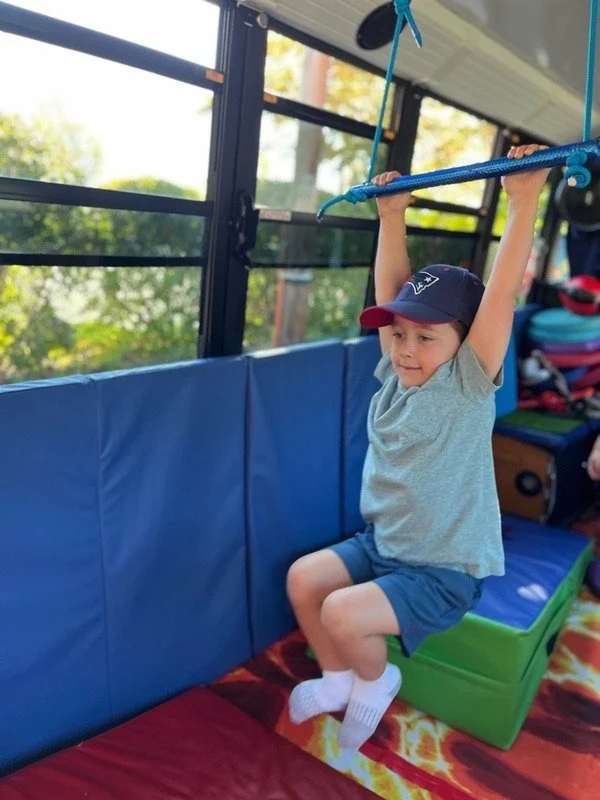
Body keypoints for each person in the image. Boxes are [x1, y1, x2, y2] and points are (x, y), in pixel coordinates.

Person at [286, 144, 550, 752]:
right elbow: (391, 291)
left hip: (440, 569)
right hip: (384, 544)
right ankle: (334, 680)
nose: (406, 347)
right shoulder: (396, 372)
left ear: (462, 343)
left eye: (425, 337)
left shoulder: (465, 383)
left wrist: (525, 199)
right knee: (304, 580)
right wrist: (392, 215)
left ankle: (375, 683)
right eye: (399, 334)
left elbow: (501, 296)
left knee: (340, 614)